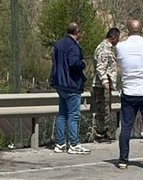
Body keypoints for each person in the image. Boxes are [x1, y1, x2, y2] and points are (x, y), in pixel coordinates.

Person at [115, 19, 143, 170]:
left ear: (127, 31)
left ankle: (123, 160)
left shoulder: (120, 47)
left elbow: (121, 63)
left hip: (129, 90)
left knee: (126, 126)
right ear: (142, 30)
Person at [50, 22, 91, 154]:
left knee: (62, 114)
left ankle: (60, 143)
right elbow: (73, 62)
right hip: (71, 84)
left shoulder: (58, 44)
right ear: (77, 33)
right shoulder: (73, 46)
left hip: (59, 83)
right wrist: (82, 64)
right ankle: (74, 144)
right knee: (74, 115)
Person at [91, 27, 120, 143]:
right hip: (101, 85)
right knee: (103, 110)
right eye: (117, 38)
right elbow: (100, 67)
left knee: (103, 109)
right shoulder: (104, 49)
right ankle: (101, 133)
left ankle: (103, 132)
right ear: (113, 37)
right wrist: (105, 81)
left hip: (103, 84)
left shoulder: (104, 47)